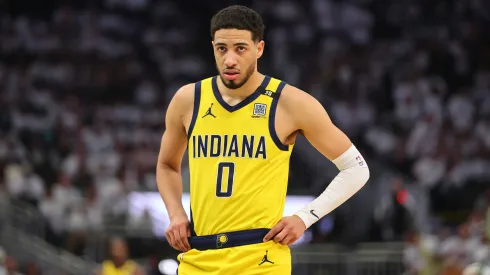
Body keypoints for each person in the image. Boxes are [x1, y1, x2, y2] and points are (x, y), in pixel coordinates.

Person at [156, 5, 370, 275]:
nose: (230, 59)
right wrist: (175, 214)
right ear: (213, 48)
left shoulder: (290, 102)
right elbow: (167, 165)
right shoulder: (188, 99)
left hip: (262, 256)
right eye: (222, 48)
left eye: (240, 48)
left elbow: (356, 168)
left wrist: (304, 218)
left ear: (259, 49)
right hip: (199, 255)